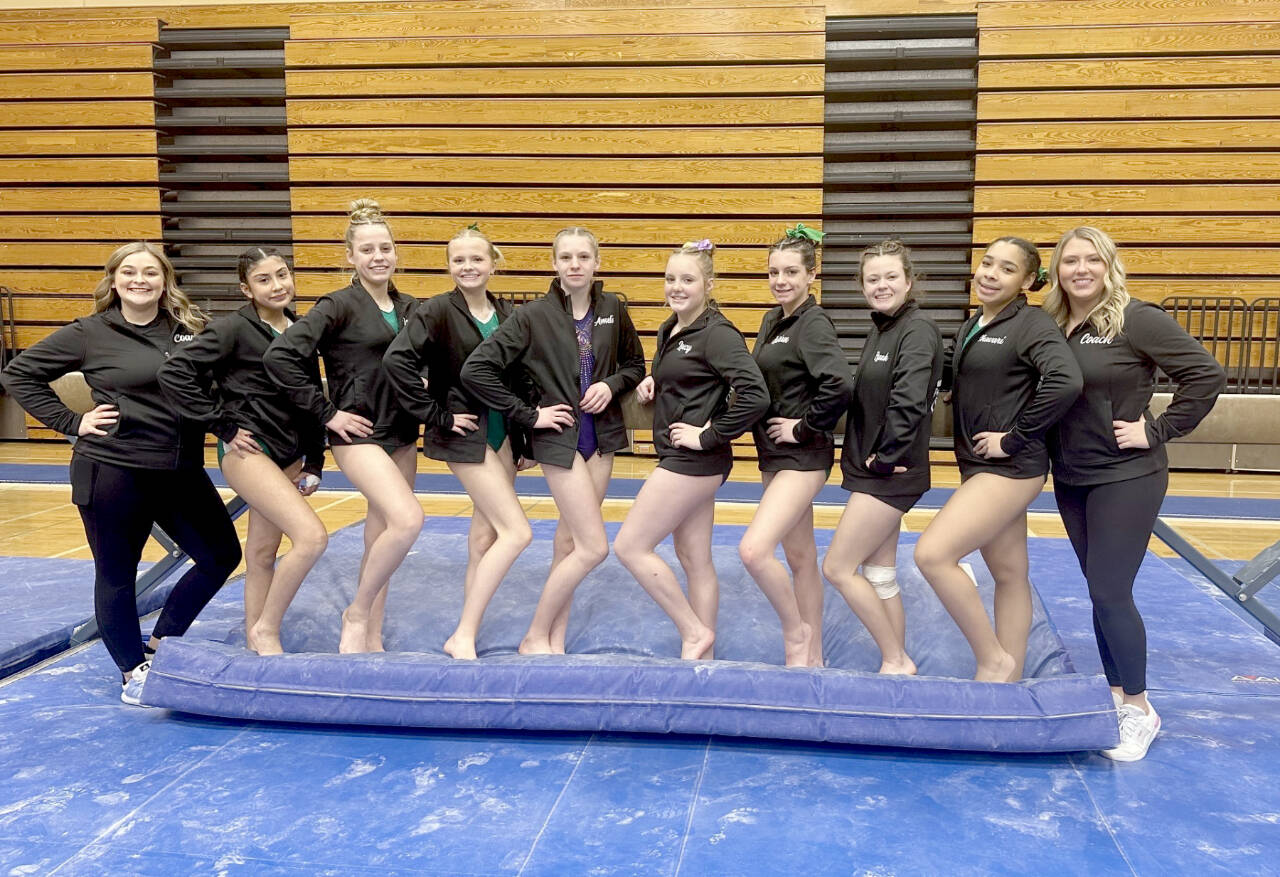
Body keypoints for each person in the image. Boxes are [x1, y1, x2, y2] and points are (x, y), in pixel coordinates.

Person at [0, 241, 240, 702]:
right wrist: (73, 423)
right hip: (114, 471)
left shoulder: (190, 330)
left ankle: (162, 643)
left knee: (219, 556)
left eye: (151, 273)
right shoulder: (90, 333)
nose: (140, 280)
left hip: (179, 470)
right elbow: (19, 374)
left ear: (165, 281)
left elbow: (224, 383)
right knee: (117, 575)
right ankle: (133, 671)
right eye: (129, 272)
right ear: (114, 281)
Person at [1044, 226, 1225, 761]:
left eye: (1091, 260)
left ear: (1109, 265)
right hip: (1071, 475)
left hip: (1127, 473)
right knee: (1098, 589)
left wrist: (1159, 429)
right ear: (1056, 270)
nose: (1081, 269)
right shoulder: (1054, 325)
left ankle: (1141, 709)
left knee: (1109, 590)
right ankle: (1117, 694)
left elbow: (1205, 375)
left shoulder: (1134, 318)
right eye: (1070, 260)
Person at [461, 226, 644, 654]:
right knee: (594, 546)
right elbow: (477, 370)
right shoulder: (532, 316)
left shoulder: (614, 308)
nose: (575, 265)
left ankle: (554, 637)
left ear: (597, 262)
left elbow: (635, 364)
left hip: (599, 438)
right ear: (554, 263)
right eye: (566, 258)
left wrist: (612, 384)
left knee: (570, 541)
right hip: (560, 439)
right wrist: (528, 415)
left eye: (583, 257)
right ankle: (533, 635)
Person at [914, 237, 1082, 682]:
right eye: (987, 263)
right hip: (980, 464)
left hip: (1008, 467)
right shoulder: (975, 323)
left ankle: (993, 658)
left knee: (932, 554)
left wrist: (1016, 437)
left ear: (1028, 280)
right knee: (1009, 573)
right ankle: (1007, 679)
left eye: (1006, 269)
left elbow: (1065, 380)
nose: (990, 273)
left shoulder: (1031, 323)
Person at [264, 199, 422, 654]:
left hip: (402, 432)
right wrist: (328, 412)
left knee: (382, 536)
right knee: (408, 520)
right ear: (350, 257)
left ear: (396, 254)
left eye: (386, 248)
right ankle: (356, 612)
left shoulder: (410, 306)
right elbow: (281, 357)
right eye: (367, 249)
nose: (378, 257)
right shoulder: (337, 305)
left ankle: (371, 634)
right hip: (359, 433)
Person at [158, 247, 328, 656]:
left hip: (288, 453)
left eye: (282, 275)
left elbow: (308, 397)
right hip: (250, 451)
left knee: (262, 551)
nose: (277, 285)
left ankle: (255, 636)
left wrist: (316, 459)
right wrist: (222, 425)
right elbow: (174, 372)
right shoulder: (231, 329)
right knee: (311, 537)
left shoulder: (300, 328)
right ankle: (266, 630)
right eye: (264, 279)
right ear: (246, 289)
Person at [613, 240, 769, 659]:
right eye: (670, 279)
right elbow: (687, 374)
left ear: (709, 284)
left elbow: (755, 396)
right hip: (685, 458)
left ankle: (693, 631)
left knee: (629, 546)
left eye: (687, 280)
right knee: (693, 555)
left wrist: (709, 434)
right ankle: (704, 657)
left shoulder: (717, 334)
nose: (676, 287)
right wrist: (653, 380)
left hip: (694, 459)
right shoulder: (671, 327)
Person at [383, 225, 533, 659]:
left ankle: (471, 628)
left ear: (493, 263)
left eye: (476, 259)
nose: (467, 267)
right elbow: (397, 362)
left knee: (484, 537)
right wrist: (436, 416)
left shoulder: (507, 313)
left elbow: (517, 379)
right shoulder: (436, 312)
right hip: (467, 437)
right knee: (516, 531)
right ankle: (462, 634)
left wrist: (522, 440)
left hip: (501, 435)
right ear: (449, 266)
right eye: (458, 260)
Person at [821, 239, 942, 674]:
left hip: (890, 472)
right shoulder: (882, 330)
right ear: (862, 286)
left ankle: (896, 658)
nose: (882, 285)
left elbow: (909, 401)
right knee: (879, 573)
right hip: (876, 467)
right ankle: (898, 660)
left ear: (909, 281)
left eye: (891, 277)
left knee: (837, 567)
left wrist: (886, 458)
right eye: (873, 279)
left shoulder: (917, 330)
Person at [739, 225, 852, 667]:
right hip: (773, 453)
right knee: (800, 554)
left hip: (802, 456)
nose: (780, 280)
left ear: (811, 274)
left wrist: (804, 428)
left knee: (753, 550)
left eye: (790, 272)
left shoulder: (813, 322)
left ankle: (798, 635)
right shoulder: (773, 319)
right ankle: (815, 656)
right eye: (773, 271)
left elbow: (839, 383)